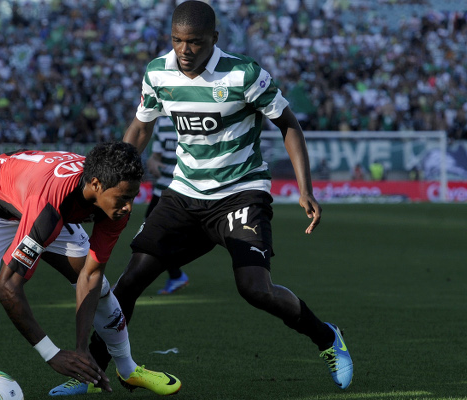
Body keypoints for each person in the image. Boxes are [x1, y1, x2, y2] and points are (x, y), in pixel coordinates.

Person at [86, 1, 353, 392]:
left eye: (194, 42)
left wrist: (305, 188)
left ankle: (328, 338)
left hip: (241, 193)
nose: (185, 50)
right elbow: (141, 127)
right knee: (129, 282)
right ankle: (91, 372)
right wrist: (116, 180)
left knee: (255, 290)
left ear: (214, 38)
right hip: (184, 193)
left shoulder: (245, 74)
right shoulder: (157, 73)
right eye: (177, 41)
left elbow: (289, 124)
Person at [0, 142, 181, 396]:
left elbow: (92, 274)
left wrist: (81, 350)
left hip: (33, 200)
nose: (129, 206)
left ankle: (128, 369)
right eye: (123, 198)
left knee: (101, 289)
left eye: (132, 197)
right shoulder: (50, 208)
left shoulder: (113, 196)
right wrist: (52, 353)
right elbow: (7, 287)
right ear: (96, 184)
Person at [145, 117, 189, 294]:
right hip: (163, 188)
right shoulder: (162, 122)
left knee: (161, 236)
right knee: (152, 234)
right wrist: (152, 162)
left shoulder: (195, 115)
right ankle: (175, 274)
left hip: (185, 188)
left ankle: (175, 274)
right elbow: (156, 157)